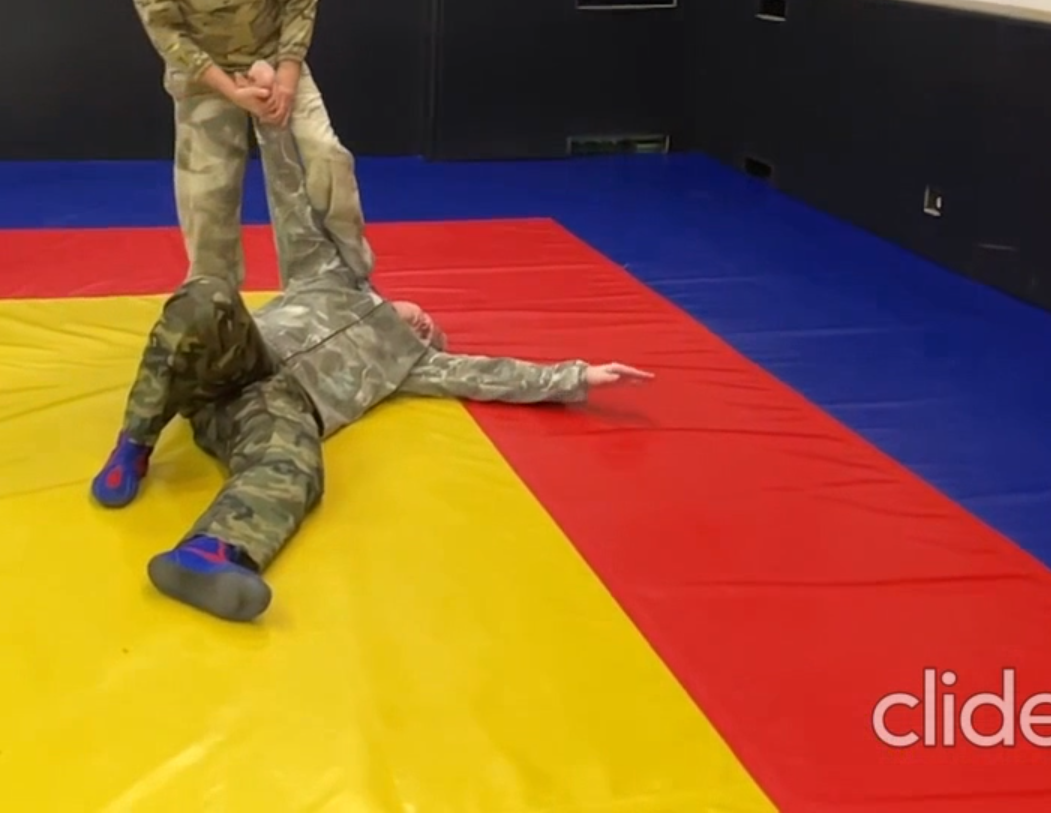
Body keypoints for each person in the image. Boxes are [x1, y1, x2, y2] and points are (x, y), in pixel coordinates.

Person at [89, 116, 653, 623]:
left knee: (296, 464)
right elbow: (291, 205)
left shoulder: (410, 361)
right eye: (423, 322)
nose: (425, 328)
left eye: (430, 334)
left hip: (279, 406)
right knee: (206, 296)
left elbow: (489, 375)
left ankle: (211, 552)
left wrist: (578, 377)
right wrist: (272, 130)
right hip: (247, 354)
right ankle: (135, 441)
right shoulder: (329, 276)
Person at [115, 0, 372, 288]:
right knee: (205, 194)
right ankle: (216, 304)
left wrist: (287, 77)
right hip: (203, 75)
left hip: (275, 56)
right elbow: (164, 29)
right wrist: (228, 89)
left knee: (325, 160)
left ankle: (345, 290)